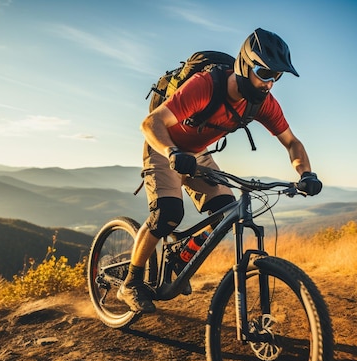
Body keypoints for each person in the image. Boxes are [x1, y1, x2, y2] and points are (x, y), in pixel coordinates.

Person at [118, 28, 323, 313]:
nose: (270, 84)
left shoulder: (262, 103)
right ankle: (131, 282)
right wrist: (172, 152)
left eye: (277, 77)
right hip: (164, 147)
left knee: (226, 213)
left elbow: (292, 142)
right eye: (265, 73)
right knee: (167, 215)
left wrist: (306, 174)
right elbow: (150, 123)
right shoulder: (205, 86)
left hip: (196, 155)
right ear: (244, 65)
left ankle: (180, 257)